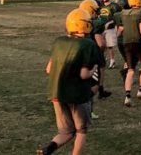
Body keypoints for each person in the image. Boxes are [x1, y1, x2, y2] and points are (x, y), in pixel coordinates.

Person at [37, 9, 100, 155]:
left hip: (56, 93)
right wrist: (94, 69)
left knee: (66, 131)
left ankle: (47, 150)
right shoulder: (87, 44)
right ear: (84, 25)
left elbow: (48, 69)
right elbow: (84, 75)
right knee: (81, 130)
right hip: (76, 94)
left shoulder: (59, 41)